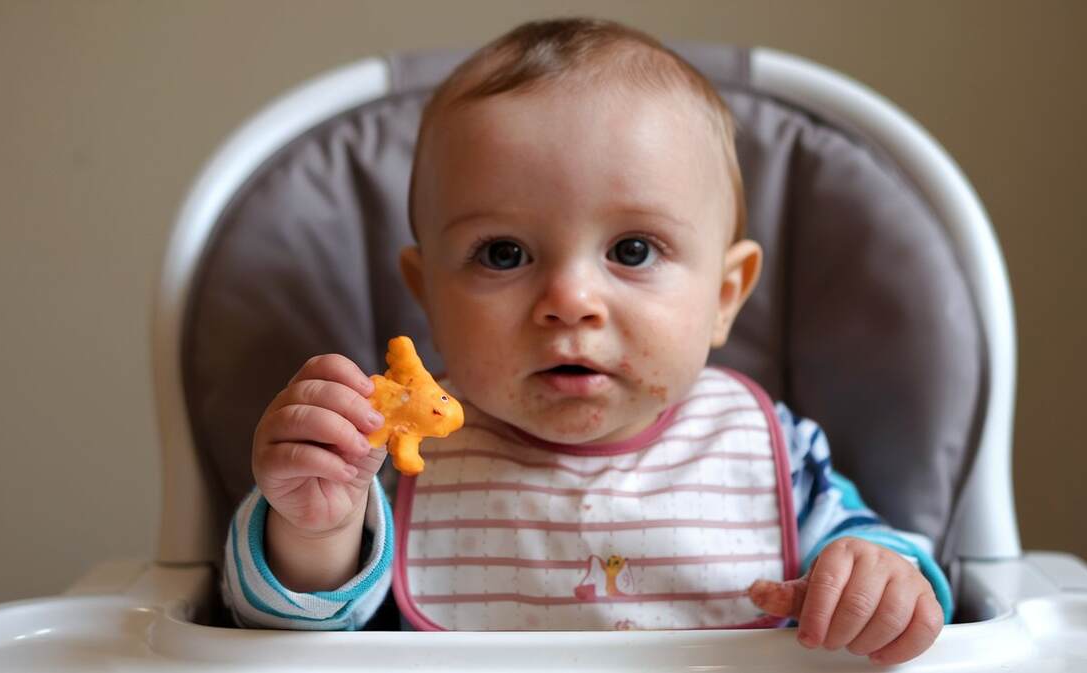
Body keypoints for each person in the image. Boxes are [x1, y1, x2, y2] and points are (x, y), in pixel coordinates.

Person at [222, 17, 951, 664]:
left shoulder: (773, 454)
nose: (569, 301)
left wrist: (879, 580)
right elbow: (290, 637)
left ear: (725, 296)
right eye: (503, 254)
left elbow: (897, 583)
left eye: (632, 250)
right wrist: (317, 527)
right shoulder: (388, 468)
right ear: (428, 294)